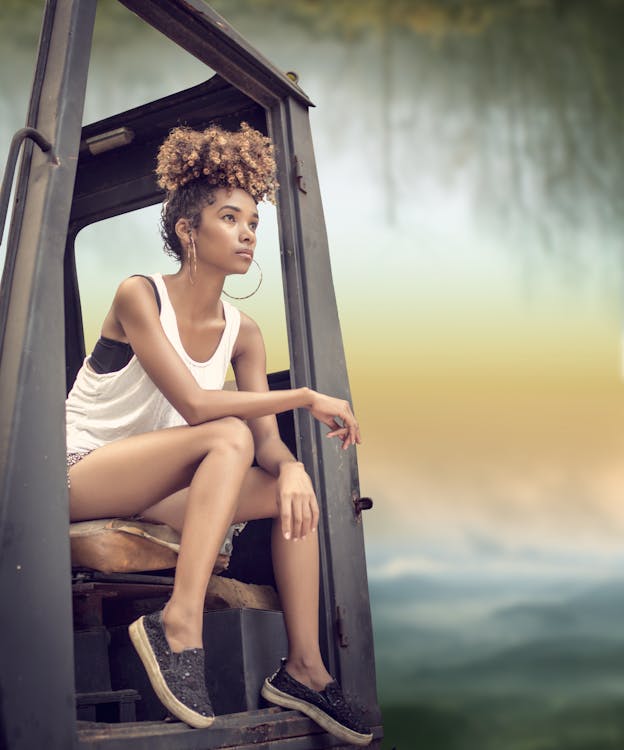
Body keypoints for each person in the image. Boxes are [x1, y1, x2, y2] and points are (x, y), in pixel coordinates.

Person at [66, 123, 373, 746]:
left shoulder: (245, 332)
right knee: (224, 434)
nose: (247, 234)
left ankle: (304, 669)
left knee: (293, 494)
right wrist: (308, 396)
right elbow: (197, 403)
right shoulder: (138, 295)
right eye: (230, 219)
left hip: (150, 486)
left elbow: (265, 440)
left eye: (253, 223)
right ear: (188, 231)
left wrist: (289, 467)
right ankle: (178, 625)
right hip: (78, 471)